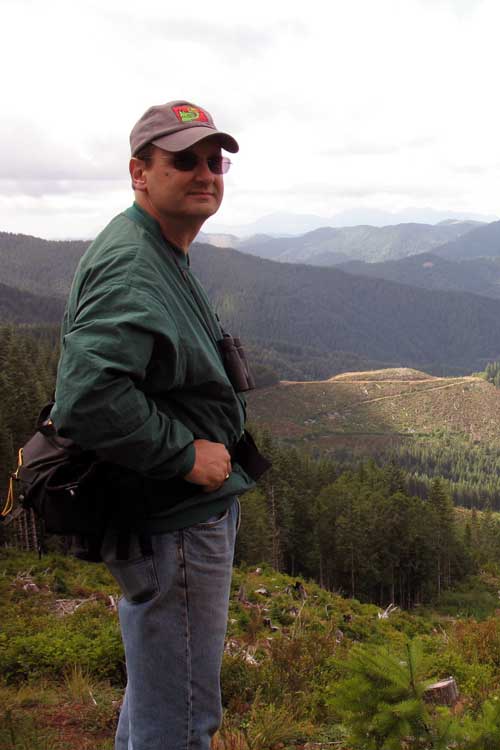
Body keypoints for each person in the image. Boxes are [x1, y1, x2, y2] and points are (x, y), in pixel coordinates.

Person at [52, 100, 254, 749]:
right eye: (183, 161)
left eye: (213, 160)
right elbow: (86, 397)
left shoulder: (157, 247)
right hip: (176, 521)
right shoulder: (134, 263)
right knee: (182, 717)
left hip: (176, 520)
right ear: (140, 171)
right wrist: (183, 454)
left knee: (159, 695)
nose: (205, 173)